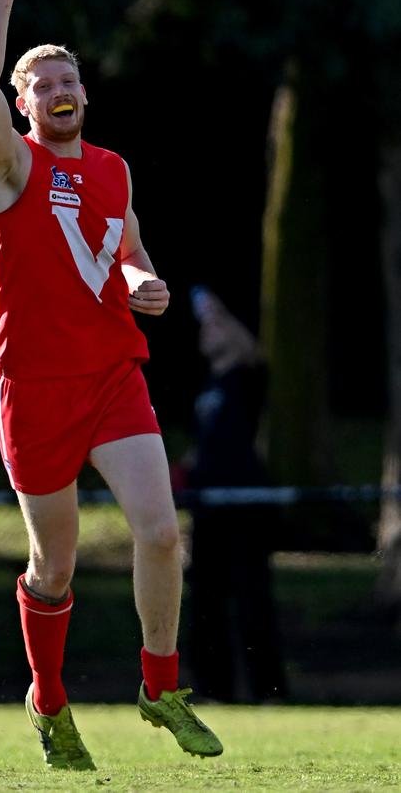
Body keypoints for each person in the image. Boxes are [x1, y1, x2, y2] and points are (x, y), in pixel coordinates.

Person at [0, 0, 223, 770]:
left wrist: (148, 281)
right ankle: (49, 701)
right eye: (44, 84)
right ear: (21, 103)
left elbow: (131, 250)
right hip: (34, 389)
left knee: (159, 532)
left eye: (71, 80)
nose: (62, 91)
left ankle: (160, 686)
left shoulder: (114, 169)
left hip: (113, 376)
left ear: (86, 93)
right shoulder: (11, 167)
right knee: (55, 566)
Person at [174, 287, 287, 703]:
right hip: (208, 510)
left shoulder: (247, 376)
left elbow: (250, 348)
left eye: (217, 325)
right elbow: (198, 448)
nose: (209, 330)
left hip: (244, 506)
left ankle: (268, 691)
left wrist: (218, 308)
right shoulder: (205, 389)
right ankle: (214, 690)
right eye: (205, 326)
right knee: (205, 603)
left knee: (251, 600)